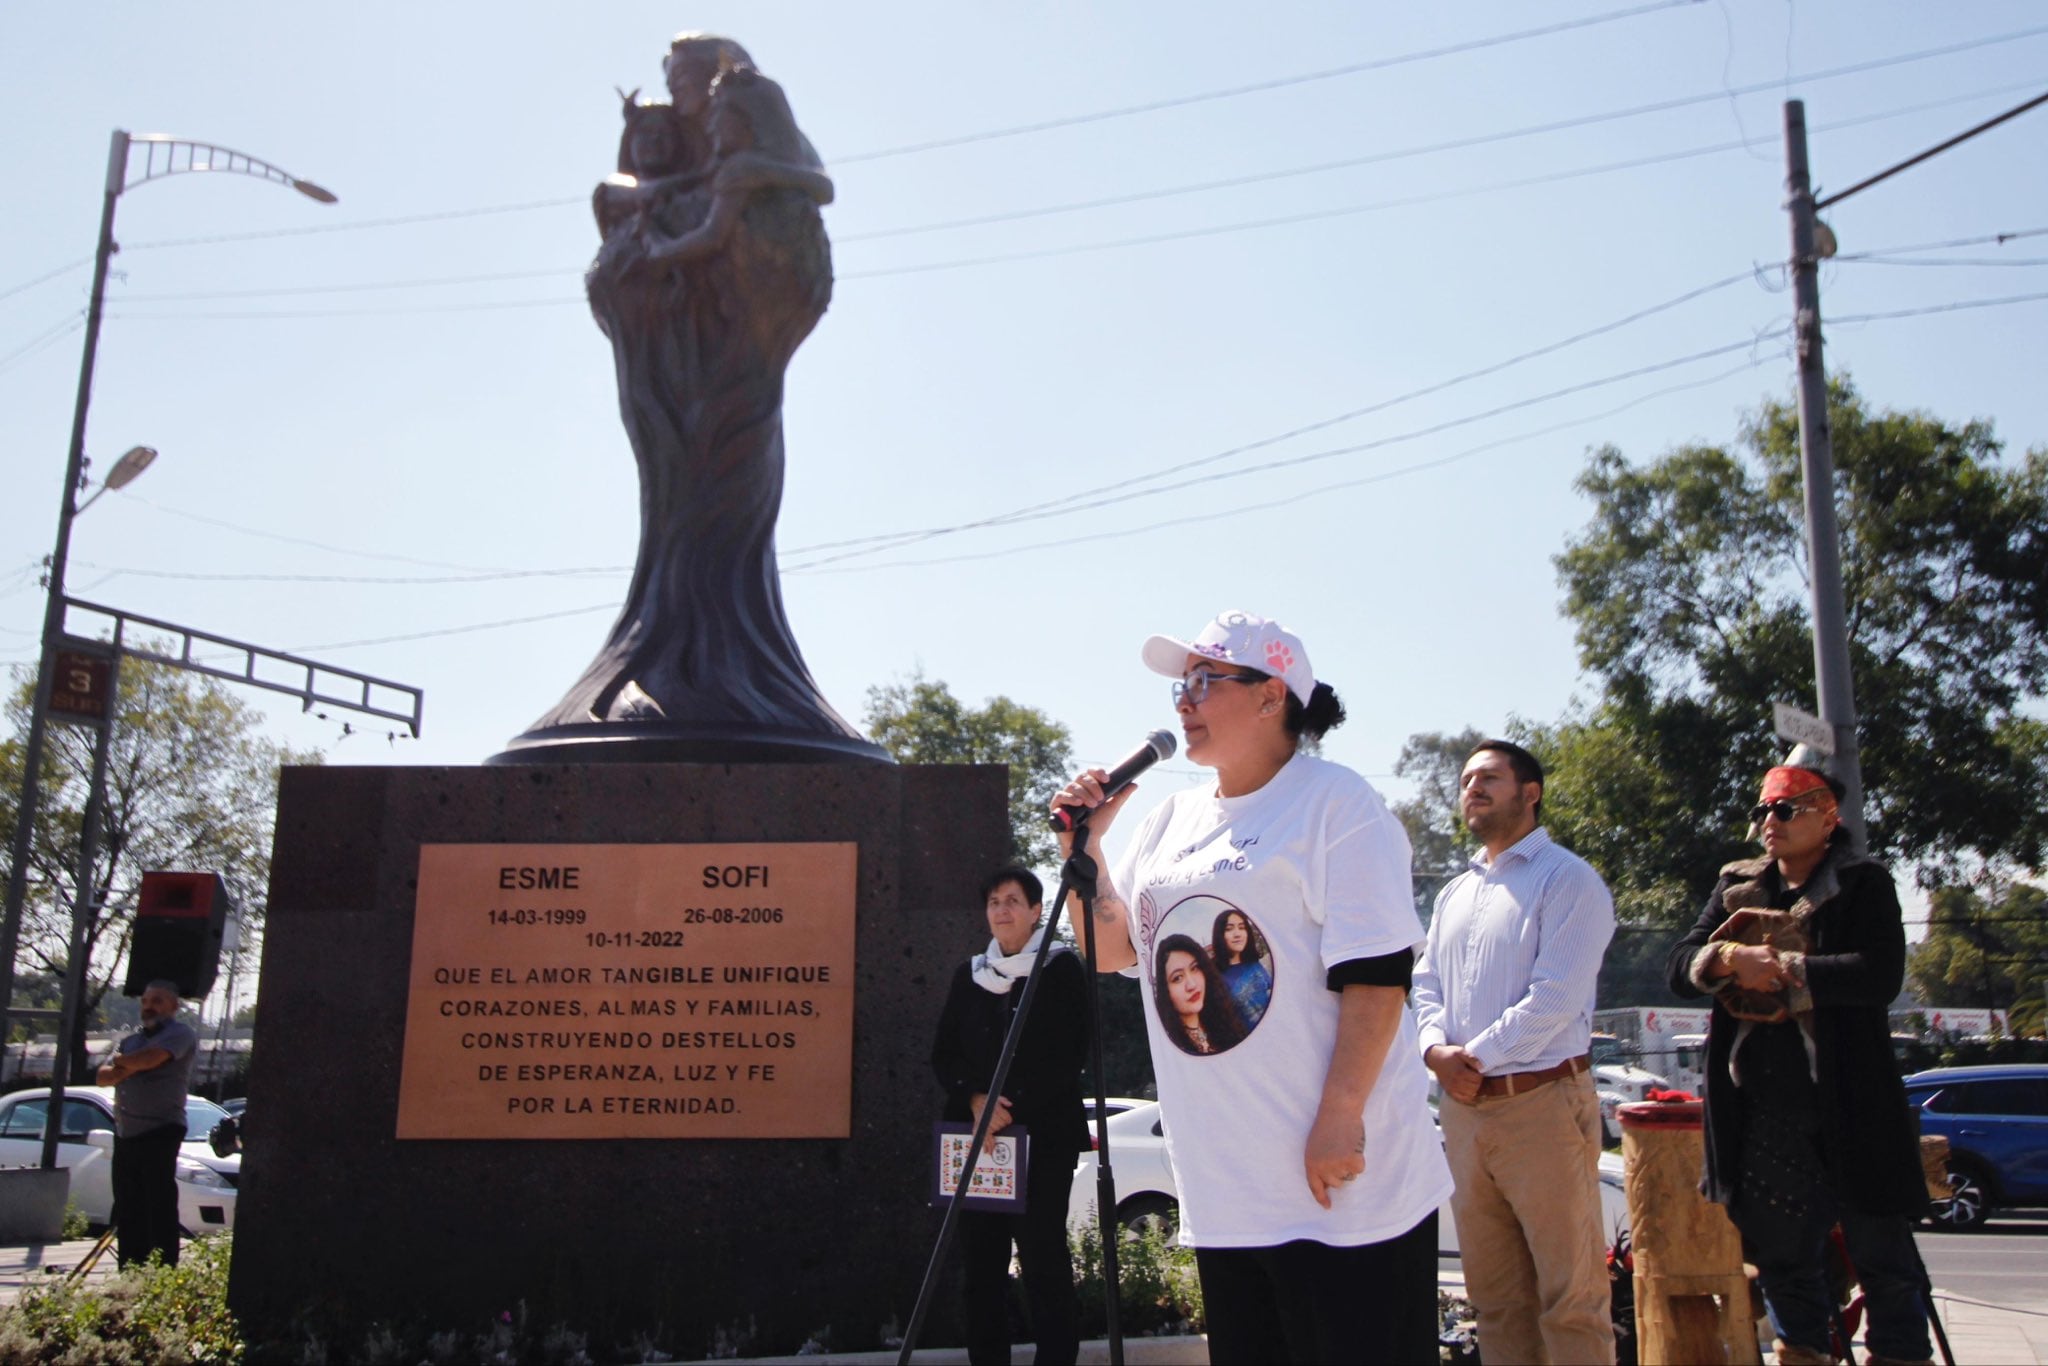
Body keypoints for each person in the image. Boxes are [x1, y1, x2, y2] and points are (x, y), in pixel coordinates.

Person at [1053, 609, 1450, 1365]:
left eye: (1206, 680)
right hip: (1226, 1185)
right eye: (1181, 684)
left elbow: (1377, 977)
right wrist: (1089, 849)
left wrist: (1340, 1115)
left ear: (1273, 696)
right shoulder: (1170, 820)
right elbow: (1109, 949)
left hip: (1339, 1183)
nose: (1184, 700)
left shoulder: (1336, 804)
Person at [1667, 763, 1933, 1366]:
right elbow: (1680, 963)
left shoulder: (1863, 884)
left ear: (1827, 816)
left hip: (1851, 1102)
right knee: (1784, 1262)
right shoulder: (1737, 884)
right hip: (1761, 1107)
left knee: (1884, 1262)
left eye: (1784, 810)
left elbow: (1879, 974)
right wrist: (1731, 955)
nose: (1769, 822)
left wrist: (1787, 972)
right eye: (1762, 811)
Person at [1411, 740, 1618, 1366]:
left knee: (1571, 1298)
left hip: (1543, 1107)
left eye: (1490, 777)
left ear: (1530, 794)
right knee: (1495, 1300)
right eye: (1467, 778)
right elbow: (1425, 984)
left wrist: (1467, 1060)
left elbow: (1555, 998)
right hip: (1467, 1115)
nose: (1473, 787)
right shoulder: (1453, 895)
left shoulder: (1569, 879)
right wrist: (1433, 1050)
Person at [930, 866, 1090, 1366]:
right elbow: (945, 1053)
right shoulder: (970, 973)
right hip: (979, 1140)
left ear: (1037, 910)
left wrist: (1008, 1104)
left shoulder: (1061, 969)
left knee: (1043, 1261)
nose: (1002, 910)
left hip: (1043, 1139)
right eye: (994, 901)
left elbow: (1069, 1055)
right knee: (981, 1265)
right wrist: (978, 1099)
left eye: (1013, 900)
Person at [96, 979, 198, 1268]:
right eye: (145, 1001)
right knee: (128, 1207)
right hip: (126, 1133)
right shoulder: (131, 1041)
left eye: (157, 1001)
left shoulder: (181, 1034)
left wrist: (123, 1064)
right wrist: (129, 1063)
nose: (148, 1007)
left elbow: (152, 1059)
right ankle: (130, 1271)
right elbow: (102, 1077)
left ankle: (162, 1270)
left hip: (161, 1129)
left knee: (158, 1205)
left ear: (174, 1006)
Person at [1153, 933, 1250, 1056]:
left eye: (1194, 968)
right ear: (1165, 990)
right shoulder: (1175, 1049)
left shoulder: (1221, 1021)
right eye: (1177, 978)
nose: (1192, 985)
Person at [1210, 907, 1273, 1026]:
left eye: (1242, 927)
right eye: (1229, 929)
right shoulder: (1216, 976)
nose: (1237, 934)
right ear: (1220, 935)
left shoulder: (1253, 962)